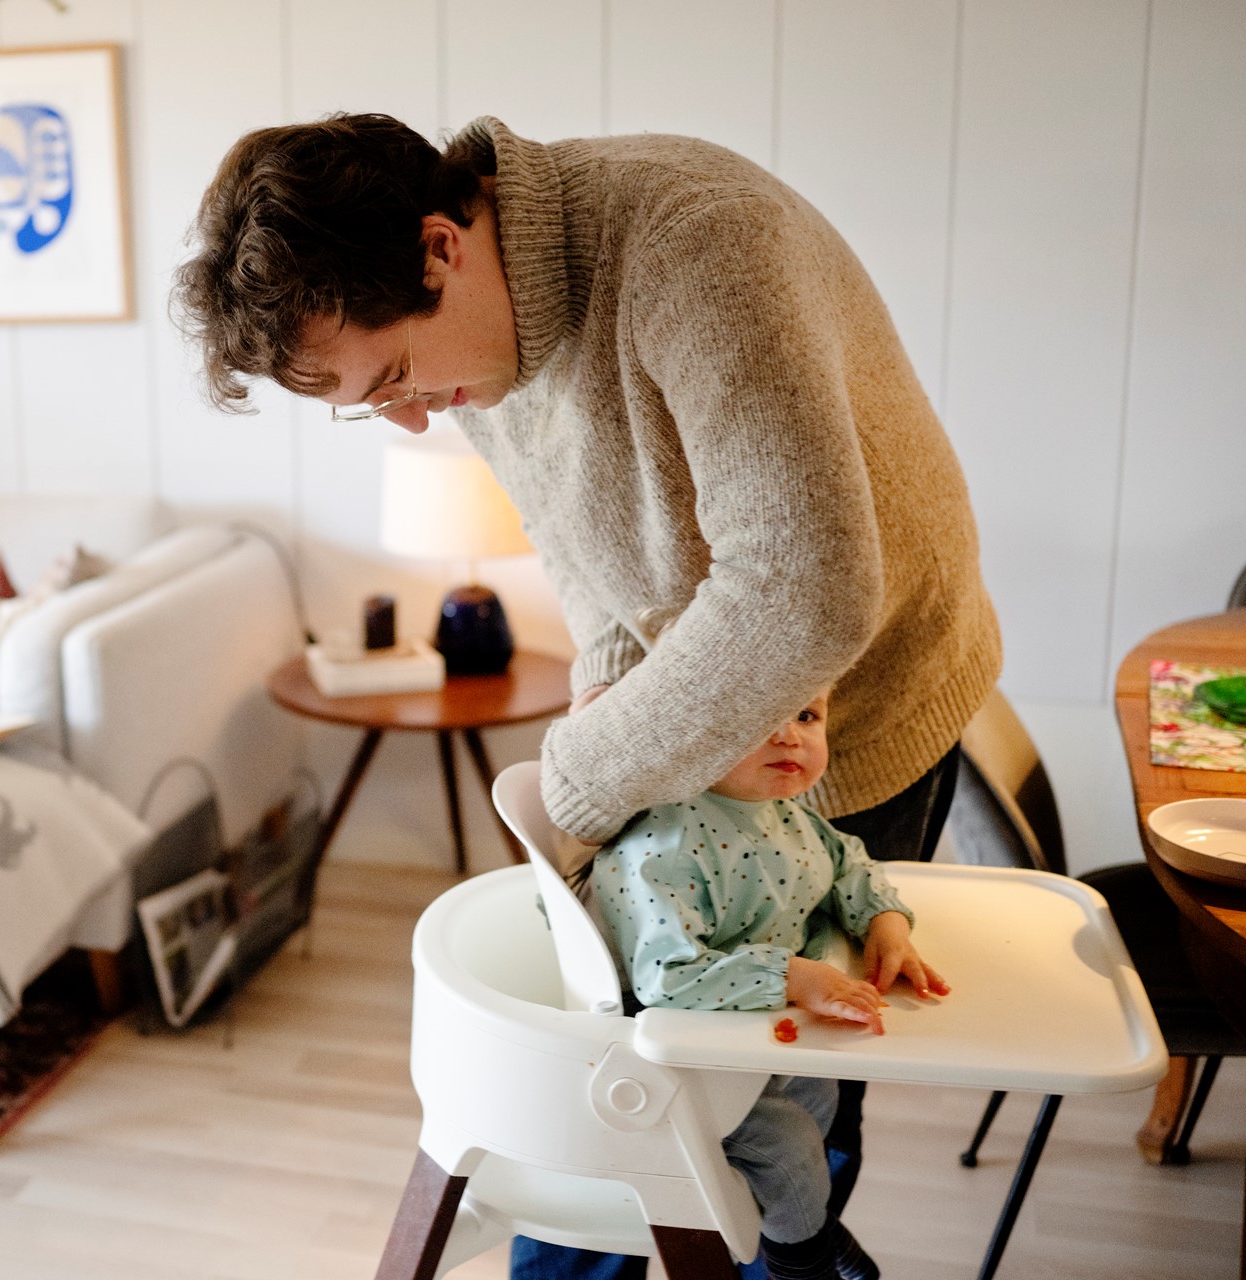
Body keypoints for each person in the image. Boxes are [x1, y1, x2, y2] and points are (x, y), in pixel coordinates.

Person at [172, 113, 999, 1278]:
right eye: (372, 402)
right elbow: (600, 572)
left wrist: (582, 776)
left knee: (791, 1084)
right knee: (625, 1074)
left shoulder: (699, 245)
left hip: (851, 708)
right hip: (701, 698)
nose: (414, 416)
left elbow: (807, 589)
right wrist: (604, 733)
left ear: (440, 246)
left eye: (399, 374)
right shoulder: (482, 351)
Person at [589, 689, 948, 1280]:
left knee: (820, 1095)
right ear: (697, 733)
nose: (790, 734)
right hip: (662, 1066)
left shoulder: (782, 812)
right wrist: (795, 976)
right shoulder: (668, 846)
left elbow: (846, 860)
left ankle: (813, 1230)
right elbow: (665, 976)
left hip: (740, 1040)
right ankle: (804, 1265)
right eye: (759, 715)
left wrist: (884, 922)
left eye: (807, 715)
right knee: (788, 1148)